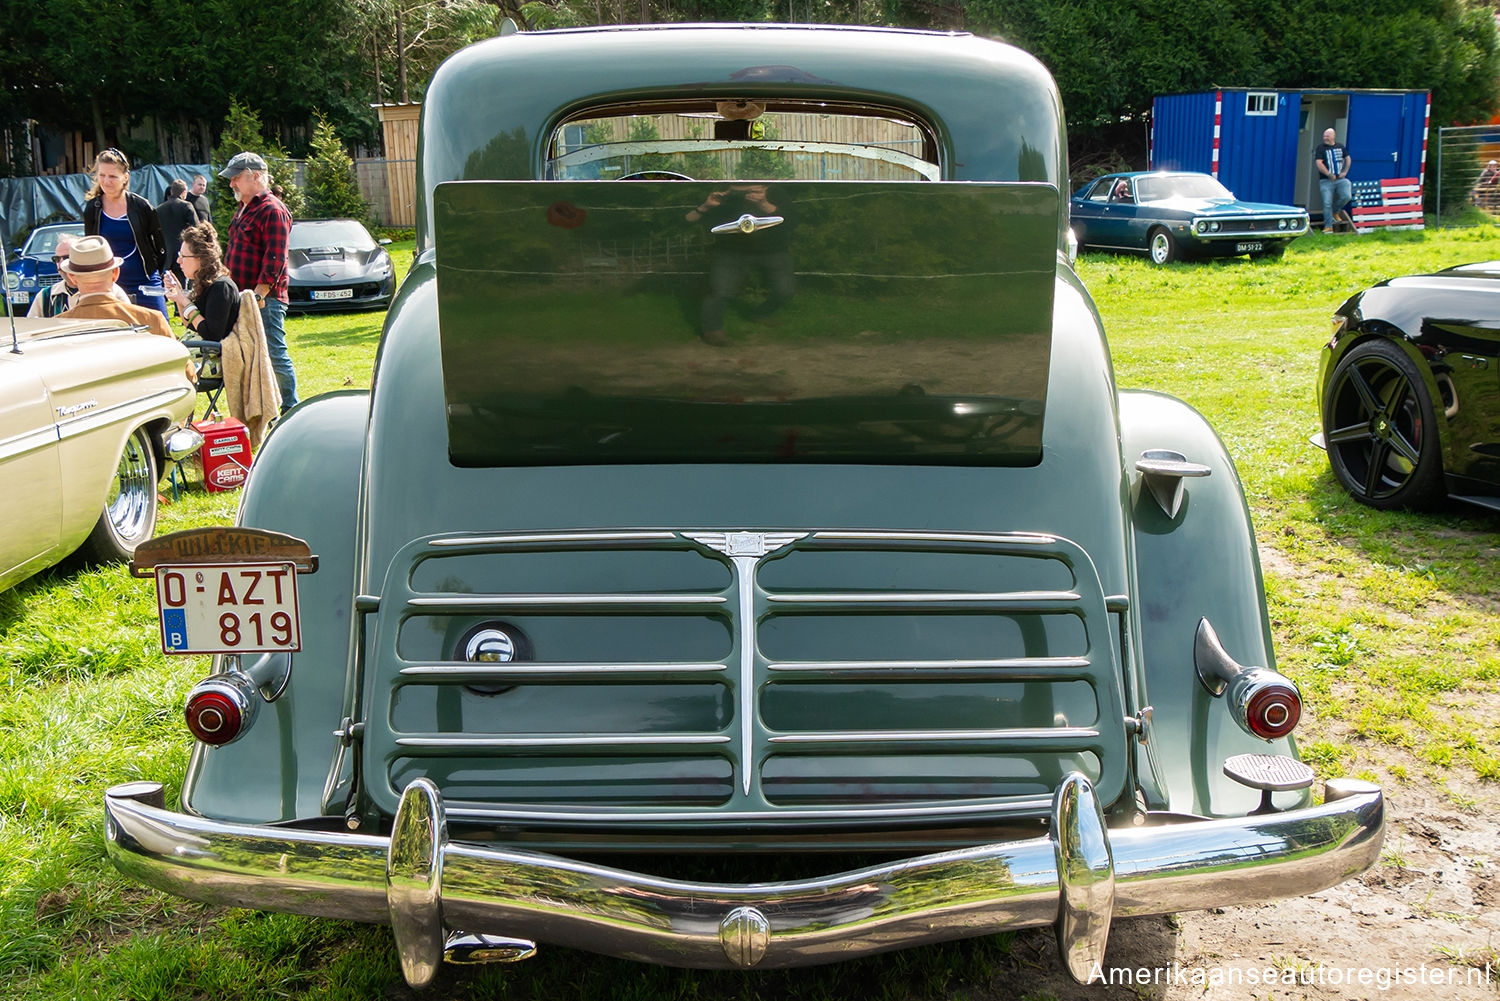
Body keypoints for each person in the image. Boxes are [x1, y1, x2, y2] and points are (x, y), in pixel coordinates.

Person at [221, 150, 298, 410]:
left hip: (265, 299)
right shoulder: (244, 208)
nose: (232, 183)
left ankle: (289, 409)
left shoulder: (273, 209)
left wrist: (259, 295)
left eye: (236, 178)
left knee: (274, 354)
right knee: (250, 356)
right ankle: (263, 408)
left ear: (256, 176)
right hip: (243, 296)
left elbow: (275, 258)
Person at [81, 147, 171, 317]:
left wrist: (157, 274)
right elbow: (91, 249)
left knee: (160, 327)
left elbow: (160, 246)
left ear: (125, 177)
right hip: (110, 285)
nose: (106, 181)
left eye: (113, 176)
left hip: (145, 280)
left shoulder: (141, 206)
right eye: (102, 175)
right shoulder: (93, 209)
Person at [56, 235, 176, 342]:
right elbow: (182, 364)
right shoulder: (152, 320)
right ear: (116, 273)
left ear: (72, 277)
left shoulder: (55, 328)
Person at [163, 222, 239, 342]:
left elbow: (211, 335)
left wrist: (183, 300)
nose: (178, 261)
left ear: (201, 259)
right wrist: (178, 297)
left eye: (183, 256)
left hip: (216, 358)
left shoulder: (221, 287)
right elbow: (190, 324)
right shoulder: (206, 283)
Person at [27, 234, 133, 317]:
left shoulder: (113, 291)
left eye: (67, 257)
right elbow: (31, 329)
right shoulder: (45, 296)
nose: (60, 264)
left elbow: (127, 318)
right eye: (56, 259)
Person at [1313, 127, 1357, 233]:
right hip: (1326, 180)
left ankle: (1336, 211)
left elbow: (1348, 159)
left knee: (1347, 196)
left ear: (1333, 136)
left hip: (1340, 179)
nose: (1325, 138)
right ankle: (1328, 226)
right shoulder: (1320, 148)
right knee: (1327, 202)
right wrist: (1328, 174)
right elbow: (1319, 163)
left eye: (1327, 136)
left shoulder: (1340, 146)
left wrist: (1345, 172)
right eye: (1324, 136)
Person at [156, 179, 198, 286]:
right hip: (184, 253)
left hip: (167, 254)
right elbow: (197, 229)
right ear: (183, 192)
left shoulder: (159, 209)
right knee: (187, 286)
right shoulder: (186, 206)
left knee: (171, 285)